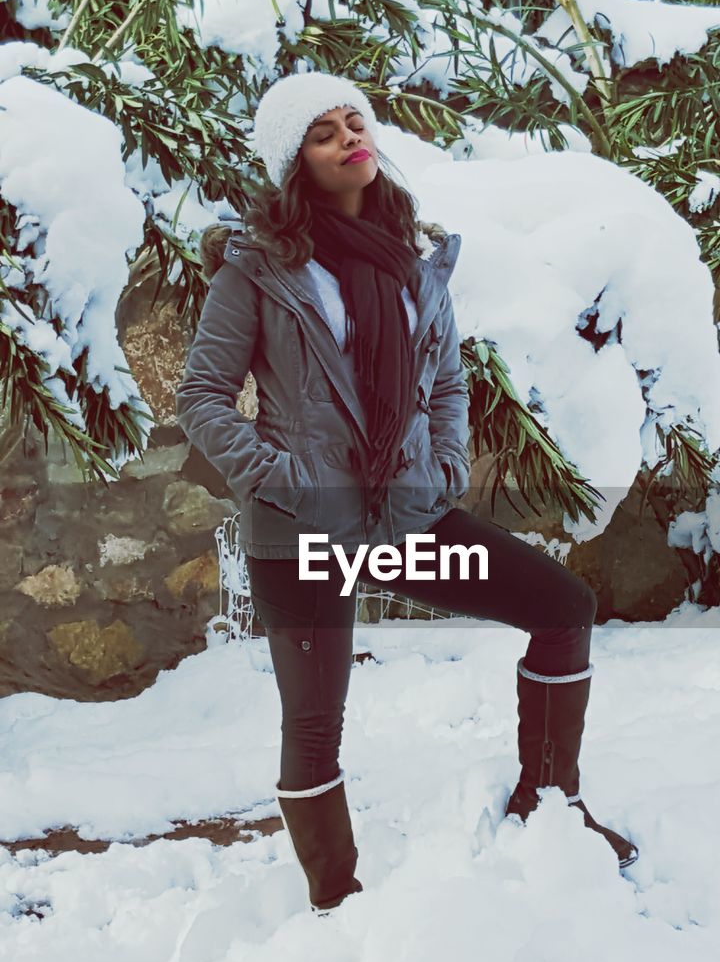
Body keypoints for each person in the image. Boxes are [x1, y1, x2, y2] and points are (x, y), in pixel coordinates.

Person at [176, 70, 639, 915]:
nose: (351, 136)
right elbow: (201, 398)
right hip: (302, 525)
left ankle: (550, 810)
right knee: (314, 724)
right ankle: (338, 901)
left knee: (562, 607)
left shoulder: (416, 265)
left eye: (356, 120)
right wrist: (284, 483)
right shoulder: (260, 269)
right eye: (324, 132)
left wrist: (445, 462)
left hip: (405, 511)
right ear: (295, 164)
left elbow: (449, 380)